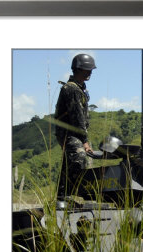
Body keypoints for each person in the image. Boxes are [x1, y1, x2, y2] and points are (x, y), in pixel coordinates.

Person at [54, 53, 96, 200]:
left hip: (75, 132)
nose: (90, 72)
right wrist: (84, 141)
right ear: (78, 69)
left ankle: (62, 197)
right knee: (79, 156)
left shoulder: (80, 88)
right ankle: (70, 196)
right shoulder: (71, 89)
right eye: (87, 69)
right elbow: (76, 117)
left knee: (75, 162)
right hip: (69, 132)